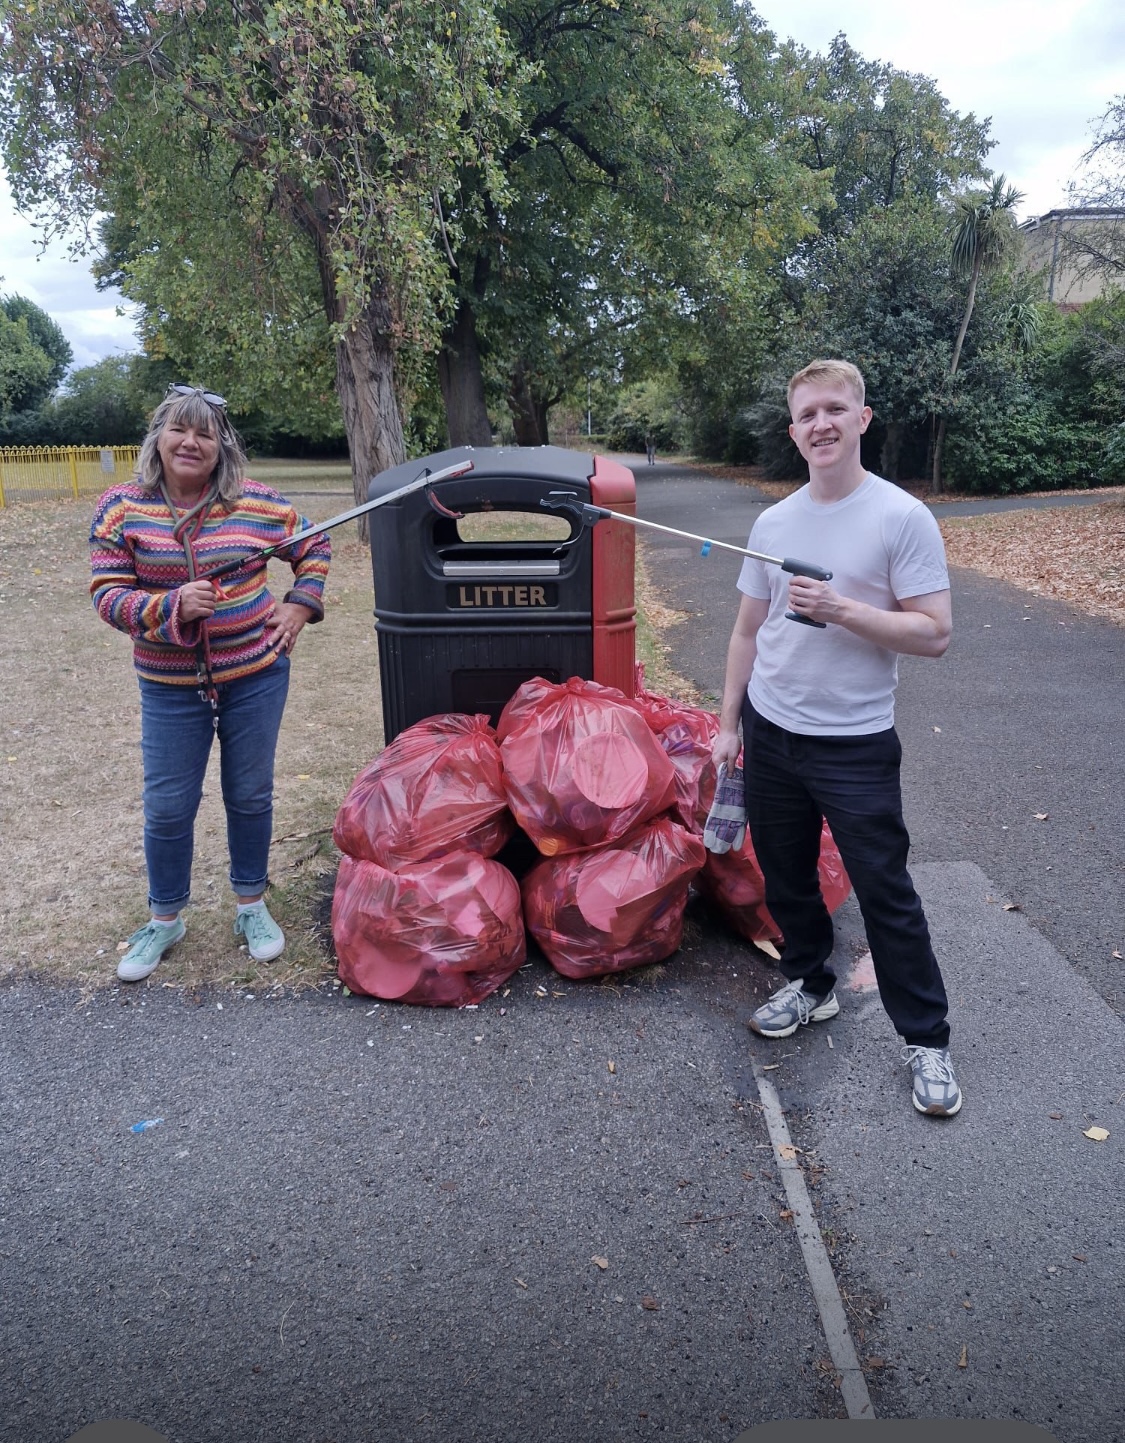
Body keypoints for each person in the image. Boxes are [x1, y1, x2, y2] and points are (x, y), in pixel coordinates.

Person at [712, 359, 961, 1117]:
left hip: (853, 743)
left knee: (886, 894)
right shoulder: (774, 523)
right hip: (771, 731)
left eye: (834, 409)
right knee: (786, 877)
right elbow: (747, 630)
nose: (820, 424)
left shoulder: (900, 517)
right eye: (806, 415)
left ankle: (926, 1039)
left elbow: (934, 633)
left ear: (862, 419)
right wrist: (728, 723)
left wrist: (842, 609)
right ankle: (811, 983)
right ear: (793, 432)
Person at [90, 384, 331, 983]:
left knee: (250, 794)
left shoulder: (256, 503)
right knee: (168, 805)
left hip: (256, 676)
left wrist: (300, 604)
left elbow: (315, 542)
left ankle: (251, 906)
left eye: (205, 433)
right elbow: (107, 595)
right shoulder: (122, 507)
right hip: (169, 686)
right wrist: (170, 607)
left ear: (223, 447)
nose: (190, 442)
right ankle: (165, 918)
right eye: (179, 429)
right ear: (158, 438)